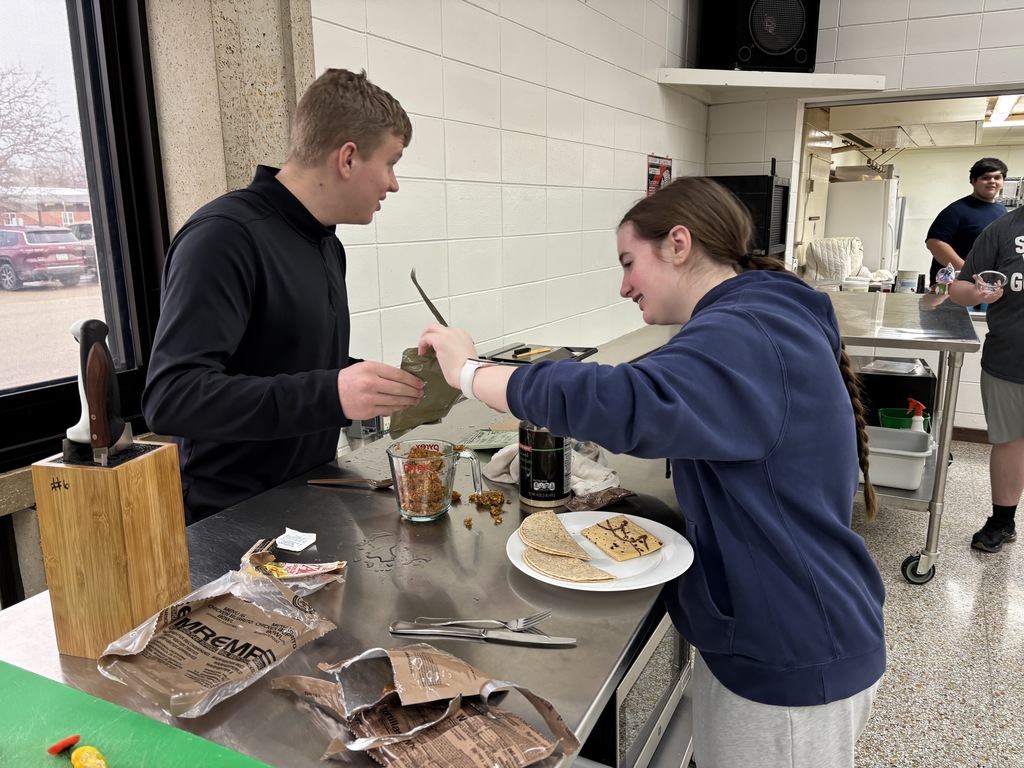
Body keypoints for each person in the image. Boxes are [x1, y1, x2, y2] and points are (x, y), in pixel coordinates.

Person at [419, 177, 886, 768]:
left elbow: (630, 400)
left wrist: (470, 373)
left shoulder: (747, 332)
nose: (623, 286)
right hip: (771, 627)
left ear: (679, 245)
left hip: (790, 648)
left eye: (628, 262)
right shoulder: (758, 314)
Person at [143, 69, 424, 524]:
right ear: (348, 158)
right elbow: (172, 397)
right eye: (391, 163)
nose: (393, 184)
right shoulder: (224, 238)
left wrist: (371, 383)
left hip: (308, 498)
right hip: (230, 520)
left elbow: (284, 361)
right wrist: (331, 393)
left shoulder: (327, 245)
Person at [949, 204, 1024, 553]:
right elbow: (958, 289)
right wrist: (977, 294)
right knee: (1010, 442)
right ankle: (1002, 521)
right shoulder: (1002, 229)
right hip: (1010, 358)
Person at [925, 157, 1008, 288]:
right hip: (954, 285)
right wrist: (967, 271)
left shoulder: (1002, 211)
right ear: (973, 181)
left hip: (987, 286)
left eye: (997, 177)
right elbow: (935, 243)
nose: (992, 181)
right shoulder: (956, 210)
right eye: (985, 177)